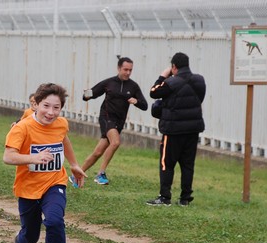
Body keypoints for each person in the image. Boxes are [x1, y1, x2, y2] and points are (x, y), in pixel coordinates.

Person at [3, 83, 87, 243]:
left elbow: (64, 140)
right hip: (28, 187)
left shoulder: (61, 124)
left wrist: (74, 164)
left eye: (56, 107)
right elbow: (8, 156)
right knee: (31, 235)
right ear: (36, 104)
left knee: (54, 220)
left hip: (54, 182)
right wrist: (34, 158)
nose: (51, 112)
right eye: (46, 106)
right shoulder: (22, 127)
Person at [71, 56, 147, 186]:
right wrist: (86, 94)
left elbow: (144, 105)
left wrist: (136, 101)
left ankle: (76, 175)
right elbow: (90, 94)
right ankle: (101, 173)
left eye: (130, 70)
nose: (128, 72)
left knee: (98, 152)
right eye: (125, 69)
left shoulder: (133, 86)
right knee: (116, 142)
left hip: (119, 122)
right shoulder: (109, 83)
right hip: (106, 117)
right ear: (119, 68)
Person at [146, 52, 206, 206]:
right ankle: (185, 198)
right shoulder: (200, 81)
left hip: (173, 130)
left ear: (174, 67)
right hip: (193, 129)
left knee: (167, 163)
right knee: (187, 164)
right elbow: (198, 99)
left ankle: (164, 197)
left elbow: (153, 92)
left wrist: (162, 76)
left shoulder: (171, 83)